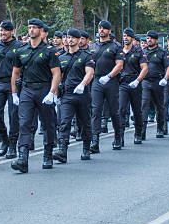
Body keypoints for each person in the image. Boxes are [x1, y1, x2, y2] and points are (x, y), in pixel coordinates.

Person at [10, 18, 61, 173]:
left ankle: (47, 154)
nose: (31, 30)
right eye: (29, 27)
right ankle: (23, 158)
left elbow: (56, 73)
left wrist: (52, 92)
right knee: (24, 123)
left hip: (44, 88)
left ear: (41, 30)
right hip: (27, 89)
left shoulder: (50, 51)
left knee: (48, 123)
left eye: (34, 27)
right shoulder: (21, 50)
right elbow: (15, 73)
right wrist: (14, 93)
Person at [53, 28, 95, 163]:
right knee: (64, 122)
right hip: (67, 95)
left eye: (72, 38)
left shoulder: (86, 56)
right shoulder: (61, 57)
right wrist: (53, 92)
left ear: (78, 40)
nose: (69, 40)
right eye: (68, 37)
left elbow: (90, 73)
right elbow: (56, 76)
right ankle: (62, 151)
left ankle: (86, 148)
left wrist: (82, 85)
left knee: (85, 123)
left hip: (82, 94)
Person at [0, 20, 25, 158]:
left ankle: (12, 144)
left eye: (5, 30)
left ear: (11, 31)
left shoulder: (20, 46)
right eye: (1, 30)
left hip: (14, 84)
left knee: (13, 115)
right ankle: (4, 139)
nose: (2, 33)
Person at [88, 20, 124, 151]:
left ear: (109, 31)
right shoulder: (92, 46)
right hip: (97, 80)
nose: (101, 30)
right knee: (96, 110)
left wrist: (109, 76)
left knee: (114, 111)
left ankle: (118, 137)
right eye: (100, 28)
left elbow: (119, 65)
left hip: (111, 80)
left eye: (104, 28)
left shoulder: (116, 46)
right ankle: (95, 141)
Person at [141, 30, 169, 139]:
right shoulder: (142, 51)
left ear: (156, 40)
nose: (148, 40)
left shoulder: (162, 52)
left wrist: (165, 78)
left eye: (151, 38)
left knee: (160, 106)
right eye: (147, 38)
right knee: (144, 105)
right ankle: (142, 131)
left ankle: (160, 128)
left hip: (158, 82)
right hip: (145, 81)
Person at [119, 28, 148, 144]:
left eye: (128, 36)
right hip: (122, 84)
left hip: (135, 83)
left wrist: (138, 80)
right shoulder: (119, 51)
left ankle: (138, 133)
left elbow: (144, 68)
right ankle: (119, 136)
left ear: (132, 38)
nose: (125, 38)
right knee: (121, 109)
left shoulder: (139, 52)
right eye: (124, 36)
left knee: (137, 110)